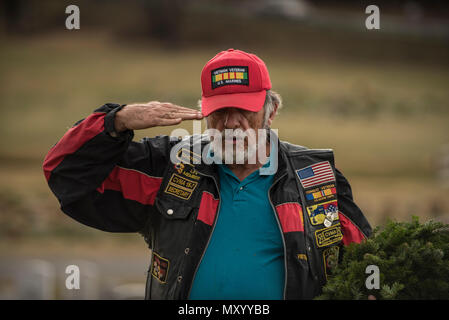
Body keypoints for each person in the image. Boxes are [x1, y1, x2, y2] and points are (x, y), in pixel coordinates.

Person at [43, 48, 372, 300]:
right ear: (204, 111)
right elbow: (66, 173)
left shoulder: (316, 178)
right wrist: (118, 120)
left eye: (244, 110)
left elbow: (365, 264)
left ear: (270, 110)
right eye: (219, 112)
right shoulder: (171, 165)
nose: (231, 123)